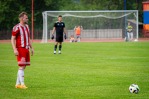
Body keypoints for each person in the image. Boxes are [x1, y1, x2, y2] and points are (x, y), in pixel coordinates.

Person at [11, 12, 34, 89]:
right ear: (21, 18)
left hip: (26, 48)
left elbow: (29, 38)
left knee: (23, 67)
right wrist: (14, 49)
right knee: (22, 66)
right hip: (20, 49)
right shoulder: (16, 27)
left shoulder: (27, 26)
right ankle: (22, 84)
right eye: (26, 18)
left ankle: (17, 84)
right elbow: (12, 39)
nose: (27, 19)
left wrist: (32, 48)